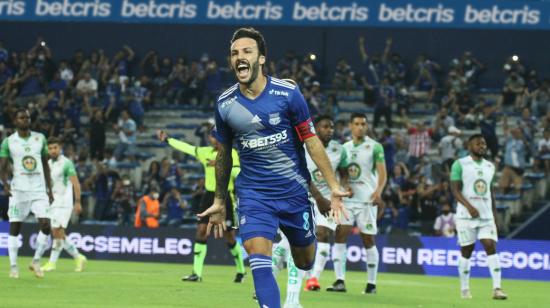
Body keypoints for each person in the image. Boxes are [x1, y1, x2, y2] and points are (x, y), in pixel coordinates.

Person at [198, 28, 348, 308]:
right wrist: (220, 199)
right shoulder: (226, 104)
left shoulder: (288, 93)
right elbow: (224, 154)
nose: (239, 58)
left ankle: (291, 250)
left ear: (261, 59)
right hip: (254, 195)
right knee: (258, 256)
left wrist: (335, 186)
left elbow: (312, 141)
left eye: (247, 52)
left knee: (305, 261)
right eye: (234, 54)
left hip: (293, 193)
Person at [157, 129, 246, 283]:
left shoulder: (232, 153)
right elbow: (187, 148)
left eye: (217, 137)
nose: (214, 140)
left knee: (229, 236)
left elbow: (238, 173)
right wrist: (168, 140)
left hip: (225, 196)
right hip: (208, 196)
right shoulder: (205, 152)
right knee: (201, 231)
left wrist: (221, 164)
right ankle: (196, 273)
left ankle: (241, 271)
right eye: (212, 137)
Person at [270, 114, 340, 307]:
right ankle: (291, 300)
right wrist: (318, 197)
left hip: (312, 201)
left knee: (287, 246)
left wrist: (338, 192)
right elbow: (300, 174)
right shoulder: (302, 147)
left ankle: (266, 285)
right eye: (325, 126)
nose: (329, 130)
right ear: (314, 128)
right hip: (298, 200)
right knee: (297, 246)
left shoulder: (337, 150)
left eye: (331, 127)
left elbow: (341, 171)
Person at [327, 112, 387, 294]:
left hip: (366, 200)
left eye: (363, 124)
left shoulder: (375, 147)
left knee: (368, 239)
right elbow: (340, 172)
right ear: (350, 126)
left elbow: (382, 173)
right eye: (357, 124)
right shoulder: (343, 148)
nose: (360, 127)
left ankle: (371, 284)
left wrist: (378, 192)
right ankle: (339, 281)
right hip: (347, 200)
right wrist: (342, 188)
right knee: (340, 236)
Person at [450, 134, 507, 300]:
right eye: (478, 143)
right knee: (467, 251)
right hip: (466, 216)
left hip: (486, 216)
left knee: (490, 246)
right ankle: (465, 289)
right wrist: (469, 207)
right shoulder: (459, 164)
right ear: (470, 146)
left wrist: (495, 215)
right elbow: (455, 190)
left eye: (484, 143)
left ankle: (497, 288)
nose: (482, 146)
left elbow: (490, 192)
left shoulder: (490, 166)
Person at [0, 108, 54, 279]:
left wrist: (49, 189)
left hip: (38, 189)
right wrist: (5, 184)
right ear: (15, 121)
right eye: (22, 118)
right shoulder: (9, 142)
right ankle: (14, 266)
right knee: (15, 227)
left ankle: (36, 261)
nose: (25, 120)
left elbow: (45, 165)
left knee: (46, 225)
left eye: (27, 118)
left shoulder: (40, 138)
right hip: (18, 191)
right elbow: (2, 167)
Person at [40, 137, 87, 272]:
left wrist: (77, 202)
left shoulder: (67, 163)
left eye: (55, 148)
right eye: (50, 148)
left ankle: (52, 263)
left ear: (59, 148)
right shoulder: (48, 163)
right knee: (58, 233)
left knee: (57, 231)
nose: (53, 150)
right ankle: (79, 257)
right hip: (53, 203)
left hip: (64, 202)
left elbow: (76, 183)